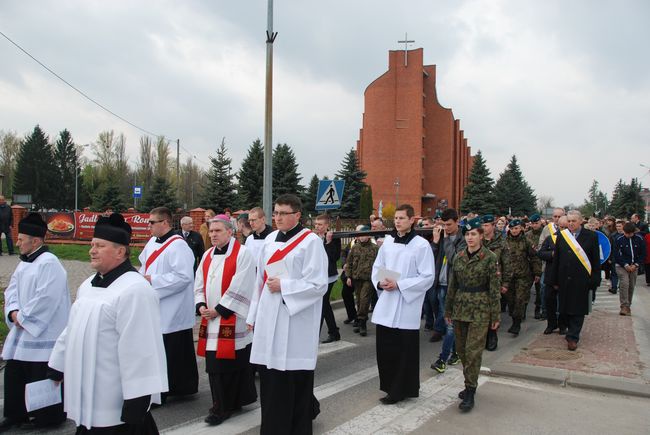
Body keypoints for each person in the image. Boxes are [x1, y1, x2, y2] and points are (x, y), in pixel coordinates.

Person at [48, 213, 168, 433]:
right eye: (92, 244)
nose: (91, 250)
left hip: (116, 402)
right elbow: (72, 329)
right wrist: (57, 365)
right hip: (87, 395)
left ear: (120, 251)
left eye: (99, 246)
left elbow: (142, 348)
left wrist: (138, 399)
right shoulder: (87, 286)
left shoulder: (135, 289)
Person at [247, 194, 328, 435]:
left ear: (297, 215)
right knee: (271, 382)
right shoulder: (270, 239)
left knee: (294, 382)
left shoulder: (310, 242)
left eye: (283, 213)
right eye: (276, 213)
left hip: (296, 323)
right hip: (270, 315)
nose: (278, 217)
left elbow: (318, 284)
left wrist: (285, 286)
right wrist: (253, 315)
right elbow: (259, 281)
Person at [1, 213, 69, 431]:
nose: (18, 242)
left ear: (36, 240)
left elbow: (46, 298)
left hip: (43, 332)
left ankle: (47, 418)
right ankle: (16, 414)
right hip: (23, 329)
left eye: (21, 239)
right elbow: (11, 290)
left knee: (40, 375)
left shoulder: (50, 264)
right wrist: (12, 311)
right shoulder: (24, 264)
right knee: (15, 371)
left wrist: (22, 317)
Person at [194, 215, 257, 426]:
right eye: (211, 231)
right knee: (216, 366)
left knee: (234, 363)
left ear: (230, 232)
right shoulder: (207, 255)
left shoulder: (243, 254)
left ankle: (230, 404)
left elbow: (242, 284)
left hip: (231, 318)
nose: (213, 235)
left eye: (218, 231)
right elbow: (199, 282)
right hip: (210, 318)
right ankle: (220, 405)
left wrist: (219, 310)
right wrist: (200, 305)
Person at [371, 204, 435, 405]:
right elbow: (378, 266)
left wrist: (400, 284)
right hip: (387, 302)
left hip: (407, 305)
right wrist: (380, 282)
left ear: (411, 220)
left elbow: (427, 277)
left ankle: (403, 389)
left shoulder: (420, 245)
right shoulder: (388, 242)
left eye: (401, 218)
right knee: (386, 350)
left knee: (403, 351)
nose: (397, 221)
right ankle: (390, 387)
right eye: (396, 218)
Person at [139, 207, 198, 402]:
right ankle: (167, 387)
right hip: (156, 304)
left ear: (165, 222)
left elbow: (184, 277)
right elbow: (144, 264)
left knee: (172, 350)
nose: (149, 226)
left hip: (173, 307)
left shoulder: (178, 245)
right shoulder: (152, 242)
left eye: (152, 223)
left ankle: (173, 388)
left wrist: (152, 281)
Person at [445, 217, 500, 412]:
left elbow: (494, 289)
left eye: (473, 234)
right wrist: (448, 309)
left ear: (481, 236)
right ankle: (469, 381)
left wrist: (495, 316)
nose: (470, 238)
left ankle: (470, 389)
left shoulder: (490, 258)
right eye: (467, 234)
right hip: (460, 308)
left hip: (480, 310)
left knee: (473, 352)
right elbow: (453, 285)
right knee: (461, 350)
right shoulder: (459, 257)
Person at [545, 210, 600, 351]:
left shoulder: (591, 236)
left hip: (581, 280)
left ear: (581, 221)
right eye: (568, 221)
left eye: (573, 221)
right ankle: (569, 329)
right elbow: (556, 259)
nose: (570, 223)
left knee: (578, 310)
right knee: (564, 309)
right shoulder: (563, 236)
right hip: (564, 279)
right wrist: (554, 279)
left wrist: (594, 279)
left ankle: (573, 336)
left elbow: (595, 260)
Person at [430, 208, 465, 373]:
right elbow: (431, 257)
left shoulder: (464, 239)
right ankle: (456, 352)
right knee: (449, 322)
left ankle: (442, 359)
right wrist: (436, 242)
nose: (446, 228)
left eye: (449, 224)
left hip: (454, 287)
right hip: (440, 284)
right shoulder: (442, 237)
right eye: (443, 224)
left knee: (450, 323)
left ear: (457, 222)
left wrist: (445, 241)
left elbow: (454, 259)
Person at [502, 219, 541, 336]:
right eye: (512, 228)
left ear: (521, 229)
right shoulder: (504, 242)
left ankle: (516, 323)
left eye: (517, 228)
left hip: (523, 276)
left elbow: (534, 257)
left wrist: (537, 273)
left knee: (520, 300)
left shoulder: (526, 242)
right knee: (511, 301)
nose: (514, 231)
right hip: (508, 277)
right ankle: (515, 319)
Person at [345, 225, 379, 337]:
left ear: (369, 235)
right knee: (359, 301)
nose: (362, 237)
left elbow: (380, 264)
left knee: (364, 300)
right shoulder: (354, 247)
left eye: (364, 235)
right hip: (356, 278)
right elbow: (349, 263)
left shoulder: (374, 248)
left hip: (368, 279)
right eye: (360, 235)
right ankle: (360, 322)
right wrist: (349, 276)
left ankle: (362, 323)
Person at [538, 216, 569, 334]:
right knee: (549, 301)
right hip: (551, 275)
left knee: (563, 303)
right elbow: (540, 253)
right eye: (562, 227)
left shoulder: (572, 239)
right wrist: (552, 254)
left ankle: (562, 325)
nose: (564, 229)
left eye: (566, 227)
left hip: (565, 276)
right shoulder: (551, 238)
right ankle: (551, 324)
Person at [480, 214, 507, 351]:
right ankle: (482, 336)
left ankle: (492, 335)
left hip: (495, 280)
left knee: (493, 308)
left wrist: (505, 283)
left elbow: (506, 263)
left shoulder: (501, 241)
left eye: (487, 225)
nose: (484, 228)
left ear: (493, 225)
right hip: (479, 280)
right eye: (483, 225)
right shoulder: (478, 240)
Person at [314, 214, 342, 343]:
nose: (317, 226)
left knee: (323, 304)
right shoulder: (314, 238)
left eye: (320, 224)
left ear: (326, 225)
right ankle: (334, 332)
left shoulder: (333, 238)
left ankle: (315, 335)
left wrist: (329, 242)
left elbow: (334, 258)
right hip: (317, 276)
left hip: (329, 276)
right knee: (324, 305)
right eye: (316, 224)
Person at [612, 222, 646, 315]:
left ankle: (628, 306)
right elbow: (616, 254)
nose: (627, 235)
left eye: (629, 233)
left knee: (631, 286)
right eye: (626, 233)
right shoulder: (618, 239)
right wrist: (625, 265)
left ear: (633, 232)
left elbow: (643, 253)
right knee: (624, 284)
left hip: (634, 266)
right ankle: (624, 306)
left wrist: (636, 264)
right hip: (621, 266)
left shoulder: (640, 239)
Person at [526, 214, 544, 319]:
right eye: (532, 223)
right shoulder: (527, 235)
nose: (534, 225)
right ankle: (522, 311)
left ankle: (538, 309)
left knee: (540, 291)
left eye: (536, 223)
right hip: (529, 266)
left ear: (540, 222)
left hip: (541, 265)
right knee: (525, 290)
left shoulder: (544, 233)